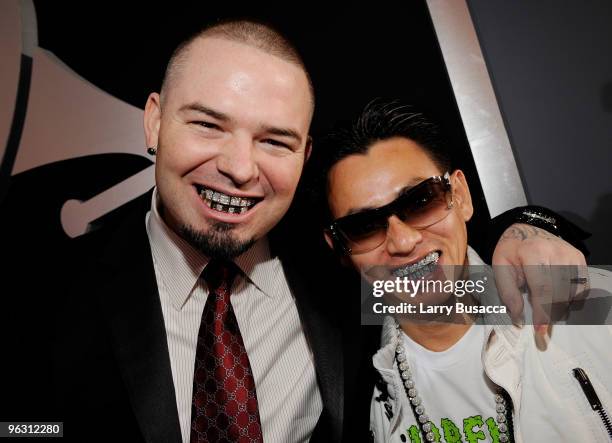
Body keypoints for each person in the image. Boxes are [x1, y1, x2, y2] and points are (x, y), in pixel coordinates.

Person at [50, 21, 589, 443]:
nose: (240, 167)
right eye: (208, 124)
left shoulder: (339, 278)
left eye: (275, 141)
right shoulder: (42, 293)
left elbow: (444, 277)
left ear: (303, 156)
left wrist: (526, 228)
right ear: (155, 122)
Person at [319, 99, 612, 442]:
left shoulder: (591, 311)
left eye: (420, 200)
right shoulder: (351, 398)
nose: (402, 241)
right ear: (339, 248)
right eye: (364, 226)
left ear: (460, 196)